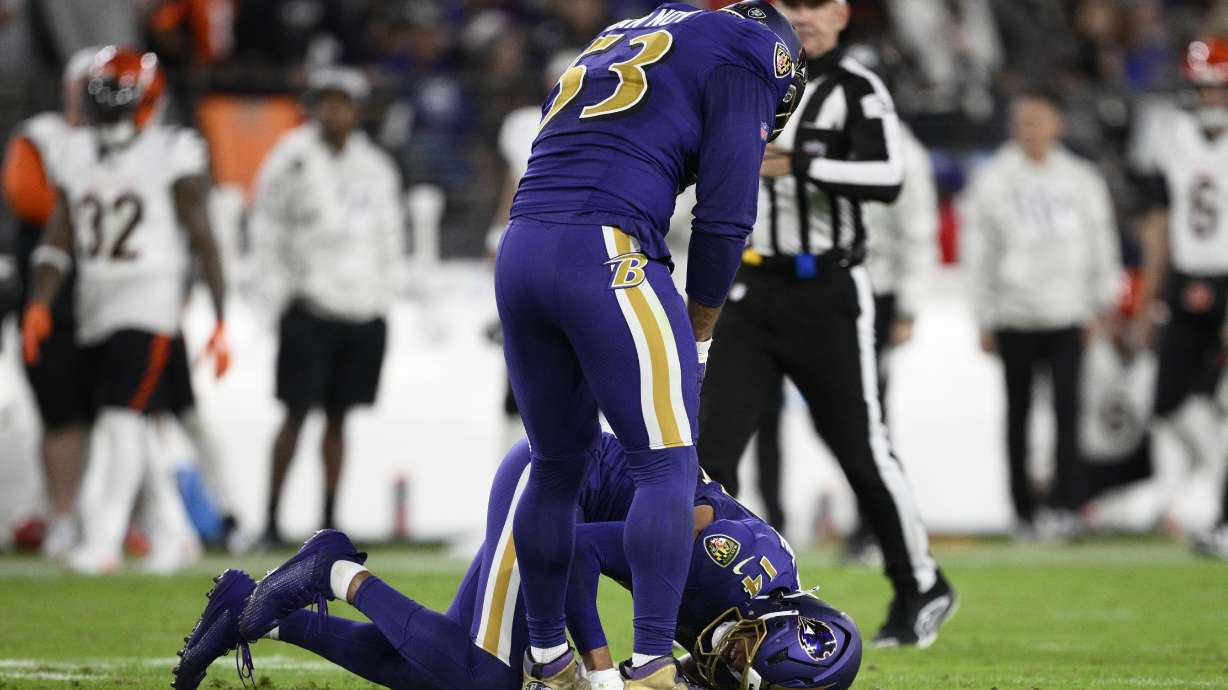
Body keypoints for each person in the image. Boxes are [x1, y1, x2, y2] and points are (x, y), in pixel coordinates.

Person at [495, 2, 807, 687]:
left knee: (556, 465)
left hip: (520, 248)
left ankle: (547, 663)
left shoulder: (622, 33)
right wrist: (700, 327)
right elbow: (725, 215)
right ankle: (653, 668)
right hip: (606, 248)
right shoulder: (755, 52)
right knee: (665, 463)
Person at [171, 434, 862, 690]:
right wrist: (590, 664)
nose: (731, 660)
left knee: (433, 669)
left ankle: (252, 613)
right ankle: (329, 572)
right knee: (484, 680)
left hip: (572, 514)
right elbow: (582, 551)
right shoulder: (723, 563)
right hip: (556, 486)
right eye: (746, 648)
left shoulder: (746, 625)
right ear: (772, 614)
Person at [696, 0, 955, 648]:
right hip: (750, 290)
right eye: (792, 4)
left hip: (830, 291)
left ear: (842, 13)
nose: (804, 17)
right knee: (707, 458)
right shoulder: (742, 78)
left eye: (816, 5)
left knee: (860, 447)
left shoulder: (858, 89)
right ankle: (708, 611)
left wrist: (802, 163)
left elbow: (889, 176)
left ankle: (920, 582)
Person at [21, 46, 230, 574]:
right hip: (97, 302)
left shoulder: (172, 150)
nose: (105, 106)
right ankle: (177, 532)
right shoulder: (73, 151)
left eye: (116, 97)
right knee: (130, 424)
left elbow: (204, 239)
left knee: (120, 419)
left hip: (149, 300)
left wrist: (221, 317)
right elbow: (58, 236)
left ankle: (105, 539)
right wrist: (39, 304)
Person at [250, 66, 404, 544]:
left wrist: (383, 295)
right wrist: (275, 293)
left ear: (357, 110)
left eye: (341, 102)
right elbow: (266, 229)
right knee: (295, 413)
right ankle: (271, 518)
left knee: (340, 416)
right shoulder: (289, 158)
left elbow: (389, 237)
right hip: (309, 305)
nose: (332, 111)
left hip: (361, 307)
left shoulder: (375, 167)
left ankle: (329, 519)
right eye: (325, 102)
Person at [964, 91, 1122, 537]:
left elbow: (1101, 243)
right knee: (1018, 415)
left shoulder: (1081, 178)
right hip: (1014, 313)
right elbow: (979, 250)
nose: (1030, 129)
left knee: (1069, 412)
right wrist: (983, 314)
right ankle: (1024, 511)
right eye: (1024, 121)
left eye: (1039, 120)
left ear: (1058, 125)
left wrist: (1099, 304)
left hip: (1069, 312)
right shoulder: (993, 177)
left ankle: (1068, 504)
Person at [1132, 40, 1228, 560]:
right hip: (1187, 275)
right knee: (1168, 399)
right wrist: (1151, 292)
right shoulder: (1170, 134)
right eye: (1204, 86)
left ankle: (1222, 518)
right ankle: (1209, 475)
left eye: (1218, 86)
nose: (1210, 96)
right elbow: (1158, 221)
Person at [2, 45, 98, 558]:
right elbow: (30, 199)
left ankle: (107, 515)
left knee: (119, 416)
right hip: (54, 298)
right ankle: (62, 515)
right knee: (60, 413)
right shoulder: (42, 136)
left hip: (115, 296)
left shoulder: (136, 146)